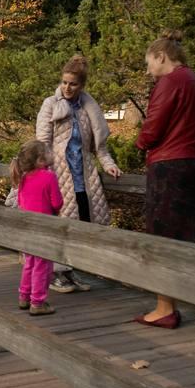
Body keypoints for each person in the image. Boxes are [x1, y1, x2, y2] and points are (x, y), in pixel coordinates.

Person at [133, 31, 195, 329]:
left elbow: (153, 126)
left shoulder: (170, 82)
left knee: (162, 235)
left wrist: (140, 144)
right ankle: (180, 302)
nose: (148, 70)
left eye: (149, 63)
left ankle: (165, 307)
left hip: (170, 165)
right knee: (184, 236)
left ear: (161, 56)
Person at [36, 54, 122, 294]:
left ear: (82, 85)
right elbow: (42, 142)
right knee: (61, 221)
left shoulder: (88, 109)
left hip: (83, 175)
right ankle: (56, 273)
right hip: (57, 172)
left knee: (83, 220)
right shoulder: (50, 104)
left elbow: (99, 147)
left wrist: (108, 164)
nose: (67, 88)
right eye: (64, 82)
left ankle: (73, 270)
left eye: (73, 84)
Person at [11, 140, 62, 316]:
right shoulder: (49, 177)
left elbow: (20, 202)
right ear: (40, 160)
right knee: (43, 265)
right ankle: (38, 302)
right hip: (44, 227)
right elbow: (57, 202)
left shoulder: (23, 178)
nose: (51, 154)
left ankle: (24, 297)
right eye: (48, 152)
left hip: (27, 227)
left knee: (29, 263)